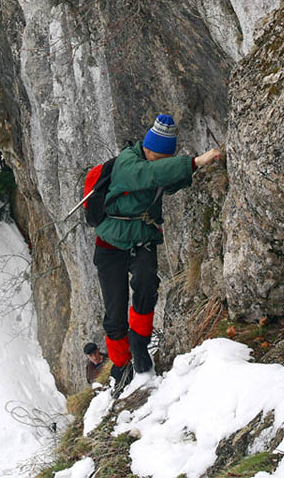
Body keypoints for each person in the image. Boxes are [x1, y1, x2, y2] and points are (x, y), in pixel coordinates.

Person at [93, 114, 222, 390]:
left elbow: (168, 179)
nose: (159, 163)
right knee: (115, 313)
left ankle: (139, 345)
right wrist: (192, 162)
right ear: (146, 149)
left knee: (147, 284)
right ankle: (120, 367)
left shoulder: (156, 163)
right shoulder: (129, 163)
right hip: (111, 245)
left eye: (166, 160)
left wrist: (196, 170)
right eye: (157, 157)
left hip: (142, 238)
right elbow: (148, 175)